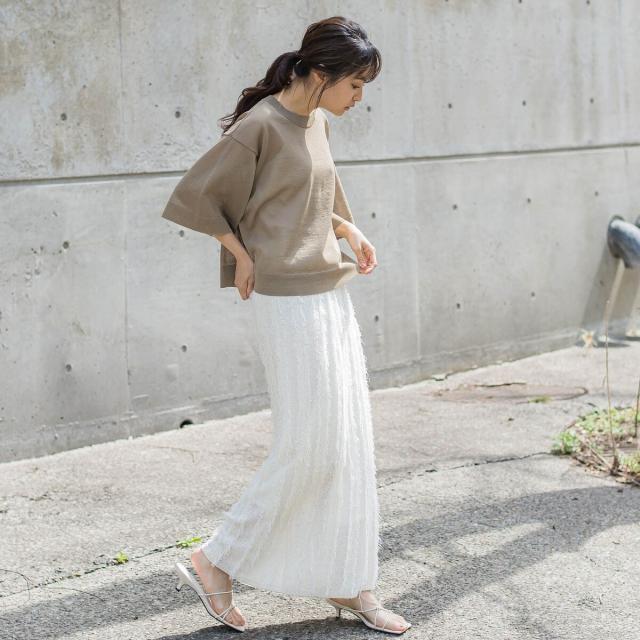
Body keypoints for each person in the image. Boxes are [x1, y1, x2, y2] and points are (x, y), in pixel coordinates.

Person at [165, 15, 412, 635]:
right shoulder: (261, 125)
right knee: (308, 445)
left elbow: (311, 195)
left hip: (329, 291)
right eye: (355, 84)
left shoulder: (316, 121)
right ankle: (216, 558)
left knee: (347, 441)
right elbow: (198, 196)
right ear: (321, 73)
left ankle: (350, 580)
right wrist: (240, 254)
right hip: (286, 302)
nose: (359, 98)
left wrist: (348, 228)